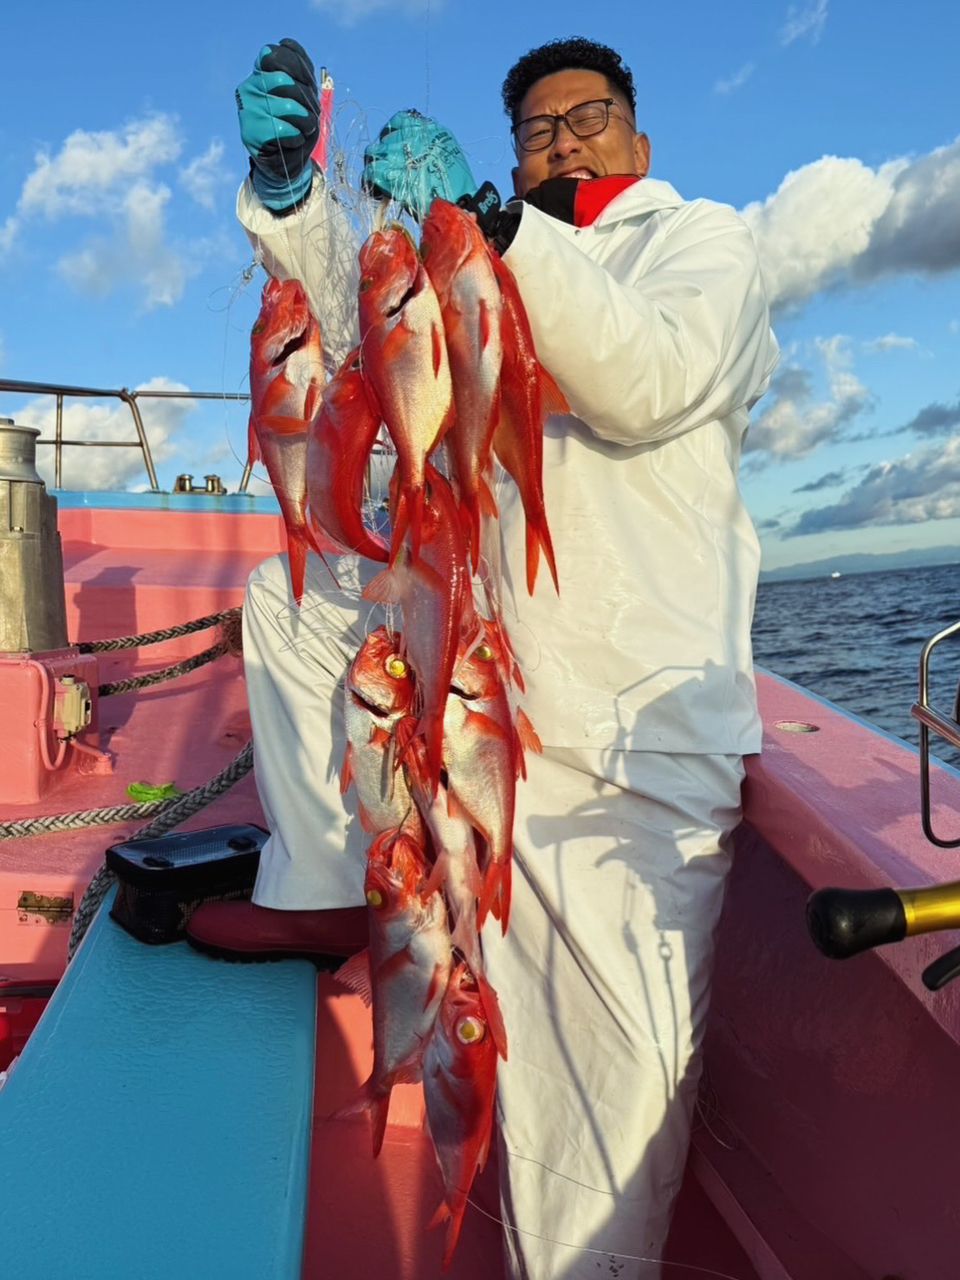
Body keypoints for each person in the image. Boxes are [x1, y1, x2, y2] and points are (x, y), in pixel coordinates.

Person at [187, 35, 779, 1278]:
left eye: (590, 116)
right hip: (485, 691)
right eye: (538, 127)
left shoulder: (704, 247)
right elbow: (374, 306)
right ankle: (321, 891)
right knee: (288, 601)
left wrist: (500, 223)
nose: (564, 139)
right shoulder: (484, 256)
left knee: (596, 1148)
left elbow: (642, 372)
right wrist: (294, 199)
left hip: (628, 754)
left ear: (641, 139)